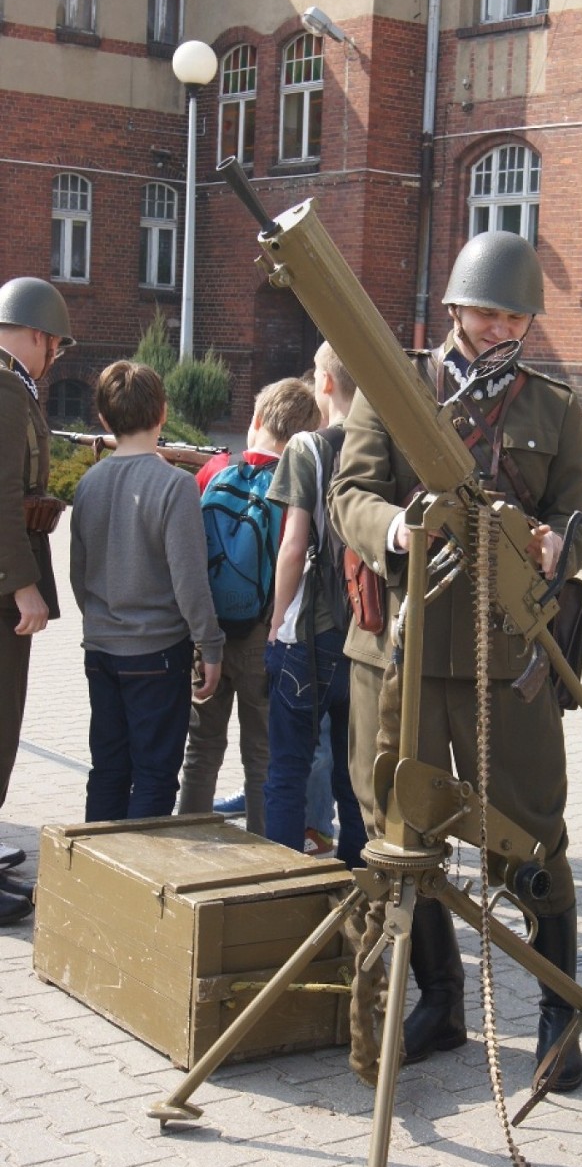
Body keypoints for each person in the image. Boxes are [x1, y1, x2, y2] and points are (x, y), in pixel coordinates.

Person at [328, 231, 582, 1091]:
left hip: (505, 656)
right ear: (454, 307)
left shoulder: (553, 405)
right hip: (400, 651)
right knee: (401, 832)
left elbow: (579, 519)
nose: (500, 326)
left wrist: (560, 546)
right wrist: (395, 530)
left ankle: (560, 1011)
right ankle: (439, 999)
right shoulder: (395, 383)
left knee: (531, 830)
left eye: (517, 314)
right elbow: (349, 494)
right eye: (487, 310)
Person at [70, 361, 224, 822]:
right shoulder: (175, 486)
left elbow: (79, 574)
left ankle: (96, 876)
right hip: (157, 651)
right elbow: (189, 580)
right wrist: (210, 645)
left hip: (100, 648)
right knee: (155, 774)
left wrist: (102, 620)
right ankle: (138, 881)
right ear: (163, 412)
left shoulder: (88, 483)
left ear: (102, 418)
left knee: (108, 769)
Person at [178, 378, 319, 835]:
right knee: (262, 754)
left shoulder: (215, 472)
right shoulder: (299, 486)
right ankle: (261, 852)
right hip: (266, 635)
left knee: (201, 747)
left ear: (256, 421)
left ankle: (188, 840)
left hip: (211, 634)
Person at [263, 342, 367, 868]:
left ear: (324, 383)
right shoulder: (382, 444)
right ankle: (358, 877)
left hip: (312, 634)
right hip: (368, 635)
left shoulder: (308, 446)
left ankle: (282, 885)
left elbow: (293, 545)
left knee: (287, 768)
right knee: (355, 774)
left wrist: (276, 618)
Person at [0, 277, 75, 925]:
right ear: (39, 336)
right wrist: (21, 584)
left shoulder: (12, 386)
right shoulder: (3, 389)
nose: (55, 355)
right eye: (55, 343)